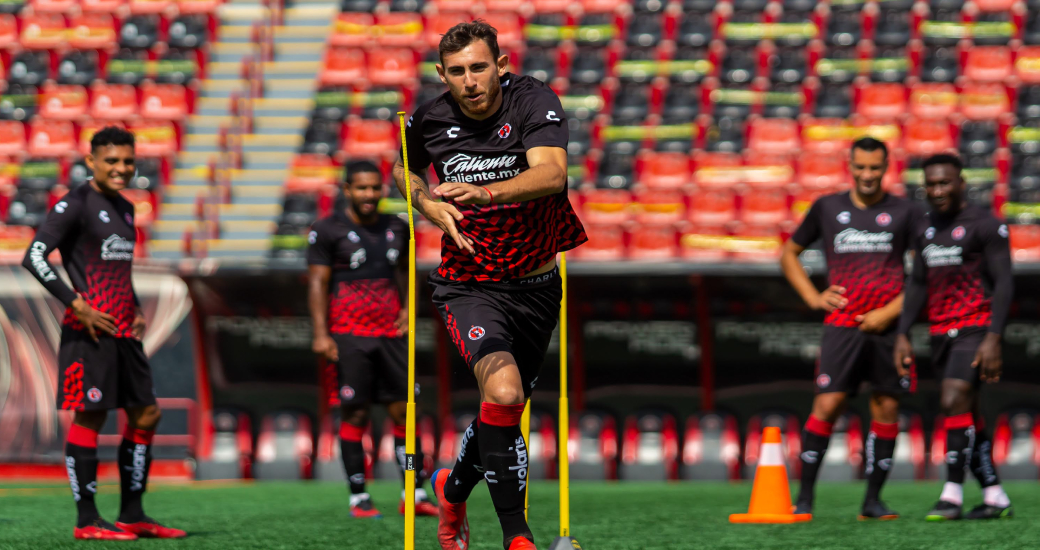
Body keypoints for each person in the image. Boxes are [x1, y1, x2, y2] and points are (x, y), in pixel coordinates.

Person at [392, 20, 586, 550]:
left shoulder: (532, 100)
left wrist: (486, 193)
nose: (470, 80)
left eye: (479, 67)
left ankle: (449, 492)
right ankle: (517, 537)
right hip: (469, 282)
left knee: (507, 404)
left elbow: (552, 175)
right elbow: (403, 170)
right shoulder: (427, 118)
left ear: (499, 65)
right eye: (456, 71)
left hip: (538, 283)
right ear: (442, 75)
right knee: (501, 390)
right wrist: (427, 203)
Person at [21, 126, 185, 540]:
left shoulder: (128, 208)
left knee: (147, 413)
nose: (121, 168)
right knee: (91, 416)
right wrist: (77, 304)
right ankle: (87, 520)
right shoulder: (75, 204)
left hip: (123, 328)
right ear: (91, 161)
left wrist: (134, 308)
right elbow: (34, 256)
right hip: (88, 330)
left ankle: (133, 514)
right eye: (111, 161)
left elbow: (116, 269)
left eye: (128, 161)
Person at [781, 137, 920, 520]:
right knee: (827, 404)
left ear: (886, 167)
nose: (868, 175)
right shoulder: (827, 207)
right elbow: (788, 253)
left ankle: (872, 502)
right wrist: (813, 298)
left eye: (875, 167)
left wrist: (890, 313)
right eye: (861, 167)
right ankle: (805, 500)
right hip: (842, 325)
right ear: (850, 165)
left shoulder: (906, 211)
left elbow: (924, 273)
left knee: (887, 406)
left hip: (888, 329)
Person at [308, 160, 437, 518]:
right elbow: (318, 284)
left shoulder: (398, 226)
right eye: (361, 188)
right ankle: (358, 496)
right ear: (347, 190)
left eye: (375, 188)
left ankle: (414, 492)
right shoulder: (327, 229)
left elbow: (407, 270)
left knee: (405, 413)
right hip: (349, 334)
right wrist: (321, 333)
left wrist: (409, 307)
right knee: (356, 413)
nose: (369, 195)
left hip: (392, 333)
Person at [894, 153, 1015, 521]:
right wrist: (902, 332)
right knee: (967, 413)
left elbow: (1005, 282)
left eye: (945, 182)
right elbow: (917, 283)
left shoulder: (985, 224)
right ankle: (995, 496)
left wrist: (994, 337)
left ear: (961, 183)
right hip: (939, 333)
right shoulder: (924, 227)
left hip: (975, 329)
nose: (937, 189)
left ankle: (951, 495)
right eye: (930, 184)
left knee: (951, 399)